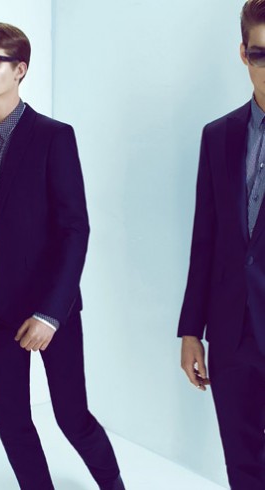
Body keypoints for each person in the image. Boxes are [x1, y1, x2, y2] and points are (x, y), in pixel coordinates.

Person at [0, 21, 124, 490]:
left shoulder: (53, 136)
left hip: (50, 306)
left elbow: (75, 229)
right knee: (9, 417)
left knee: (72, 416)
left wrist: (50, 313)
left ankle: (114, 485)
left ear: (20, 69)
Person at [179, 1, 265, 488]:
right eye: (261, 54)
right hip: (231, 334)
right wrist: (192, 329)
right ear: (243, 54)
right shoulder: (218, 136)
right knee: (242, 467)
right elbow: (205, 238)